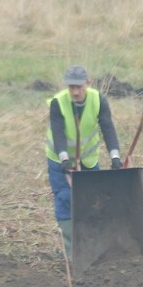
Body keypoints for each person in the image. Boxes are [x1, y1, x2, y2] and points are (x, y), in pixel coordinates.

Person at [46, 65, 122, 260]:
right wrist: (64, 159)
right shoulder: (58, 103)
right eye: (71, 87)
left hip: (88, 160)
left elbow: (107, 127)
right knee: (65, 198)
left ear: (88, 83)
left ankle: (93, 247)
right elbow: (58, 132)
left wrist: (115, 156)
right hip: (59, 160)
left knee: (92, 201)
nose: (75, 92)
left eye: (79, 87)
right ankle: (72, 253)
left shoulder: (98, 100)